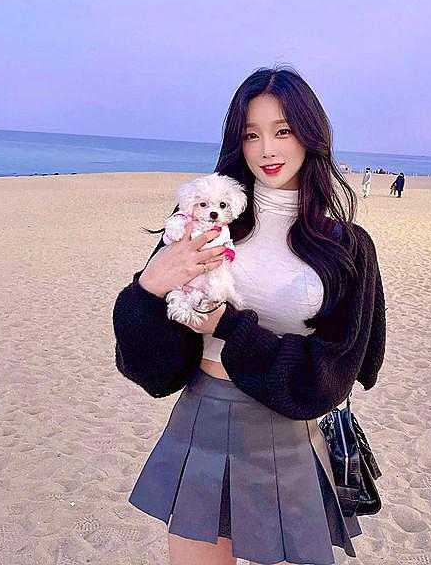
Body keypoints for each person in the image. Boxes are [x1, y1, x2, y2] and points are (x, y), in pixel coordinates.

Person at [113, 67, 387, 565]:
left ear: (310, 134)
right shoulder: (200, 226)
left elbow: (335, 371)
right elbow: (150, 370)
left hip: (289, 430)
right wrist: (146, 289)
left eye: (283, 131)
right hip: (202, 417)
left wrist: (228, 326)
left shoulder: (345, 245)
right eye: (251, 134)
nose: (267, 150)